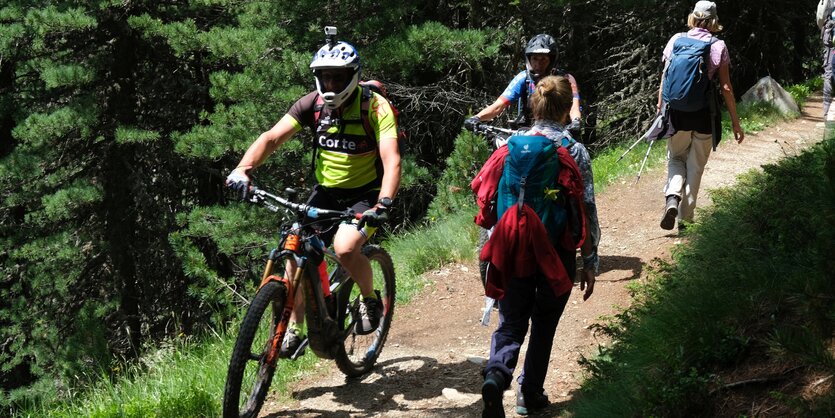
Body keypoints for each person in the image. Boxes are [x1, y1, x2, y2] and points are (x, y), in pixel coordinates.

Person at [225, 34, 402, 357]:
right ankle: (293, 326)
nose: (331, 83)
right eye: (324, 76)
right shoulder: (312, 105)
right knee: (296, 247)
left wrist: (383, 203)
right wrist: (243, 168)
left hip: (366, 195)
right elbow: (272, 137)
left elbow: (392, 159)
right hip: (326, 192)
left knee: (346, 248)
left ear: (353, 75)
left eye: (338, 76)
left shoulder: (375, 107)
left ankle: (369, 299)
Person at [473, 76, 596, 418]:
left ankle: (496, 377)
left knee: (511, 322)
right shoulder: (573, 150)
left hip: (512, 247)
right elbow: (585, 209)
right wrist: (590, 259)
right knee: (544, 322)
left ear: (534, 106)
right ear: (564, 110)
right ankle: (529, 393)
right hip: (554, 251)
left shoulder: (510, 145)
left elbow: (486, 195)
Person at [656, 1, 744, 232]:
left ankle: (672, 196)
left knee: (676, 158)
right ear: (714, 21)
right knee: (695, 167)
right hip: (704, 115)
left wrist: (660, 107)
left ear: (693, 18)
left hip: (676, 114)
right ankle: (686, 220)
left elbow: (665, 76)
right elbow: (726, 87)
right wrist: (736, 123)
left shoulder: (676, 40)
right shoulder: (718, 46)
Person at [464, 34, 583, 135]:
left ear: (551, 60)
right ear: (529, 59)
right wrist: (476, 118)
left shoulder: (566, 79)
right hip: (528, 133)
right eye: (535, 59)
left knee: (575, 157)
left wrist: (576, 121)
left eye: (543, 59)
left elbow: (574, 106)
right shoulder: (523, 78)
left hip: (561, 132)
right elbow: (498, 105)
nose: (538, 63)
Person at [817, 0, 835, 120]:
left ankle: (827, 113)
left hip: (829, 34)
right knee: (829, 74)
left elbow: (821, 17)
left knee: (829, 74)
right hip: (830, 34)